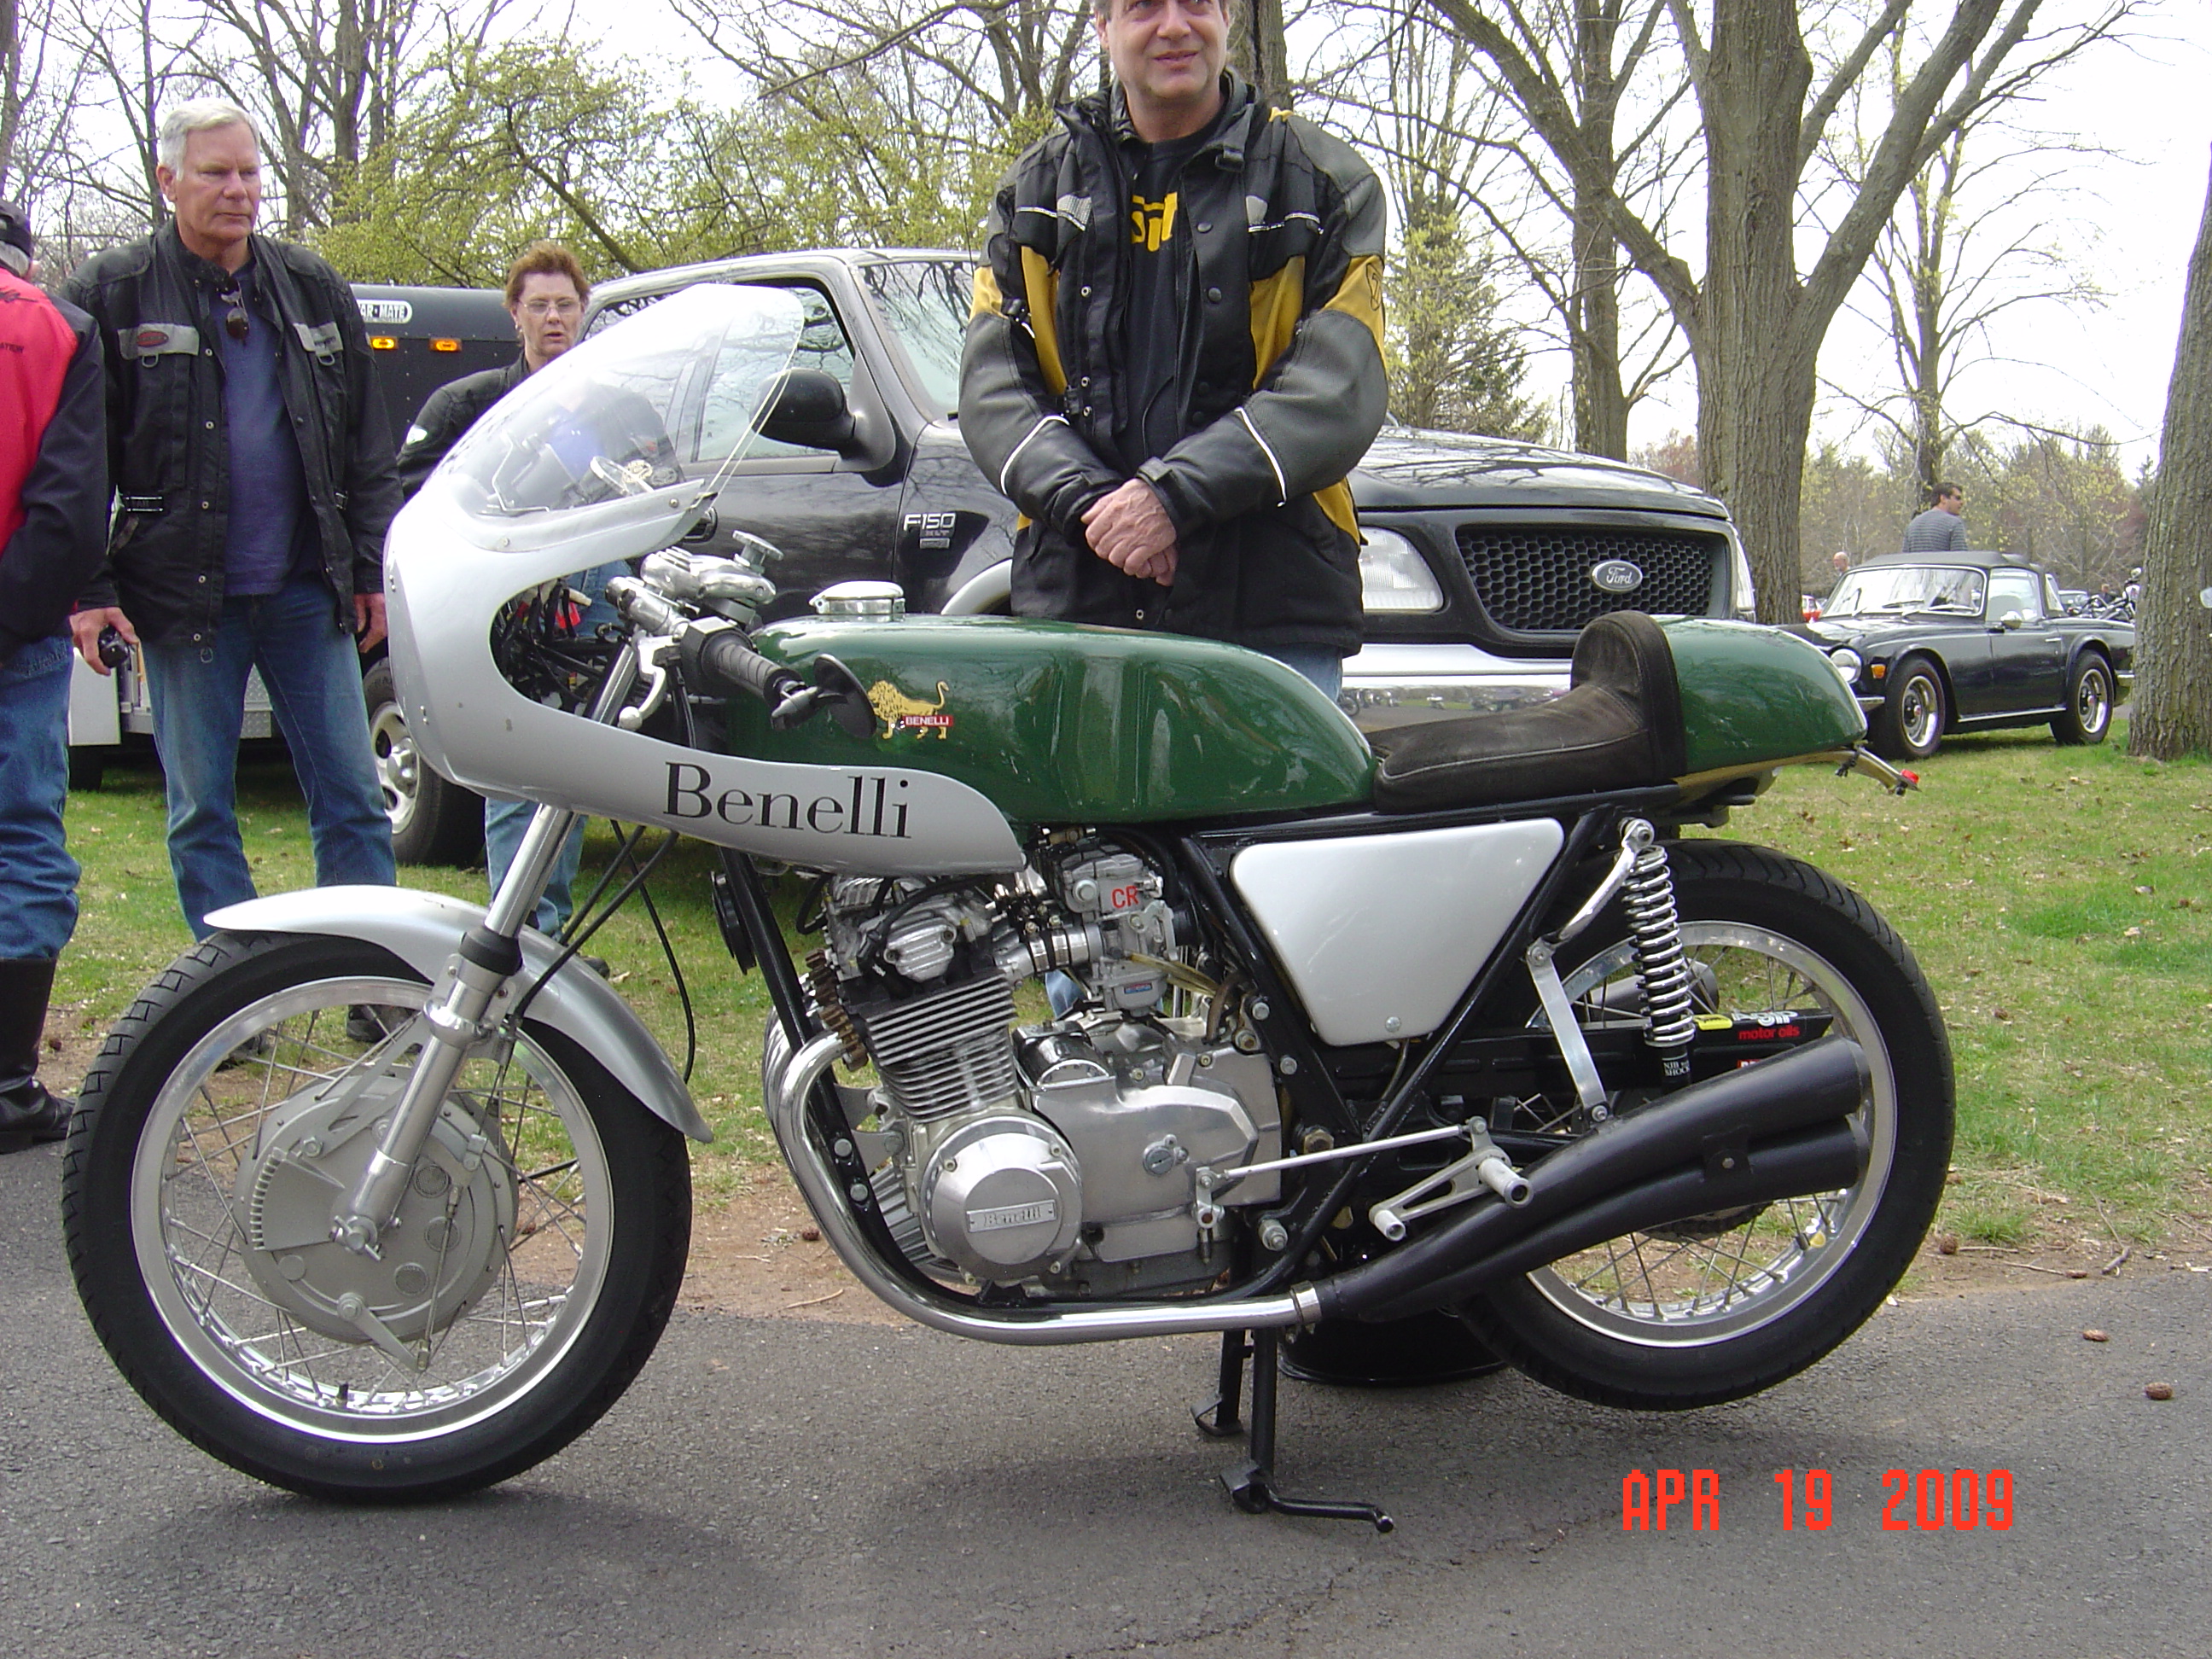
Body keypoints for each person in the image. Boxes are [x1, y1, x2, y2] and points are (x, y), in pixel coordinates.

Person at [959, 0, 1388, 702]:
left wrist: (1171, 498)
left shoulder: (1323, 183)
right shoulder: (1033, 194)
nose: (1174, 25)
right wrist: (1100, 507)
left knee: (1274, 789)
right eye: (1143, 7)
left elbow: (1337, 389)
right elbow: (993, 390)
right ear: (1103, 27)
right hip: (1080, 610)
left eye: (1196, 2)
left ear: (1227, 16)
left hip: (1272, 616)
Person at [63, 99, 400, 943]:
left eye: (250, 172)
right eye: (216, 173)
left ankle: (369, 979)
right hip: (180, 600)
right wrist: (91, 590)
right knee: (201, 812)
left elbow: (366, 444)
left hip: (305, 590)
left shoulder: (312, 286)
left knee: (354, 800)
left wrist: (369, 569)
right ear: (168, 179)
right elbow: (76, 458)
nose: (238, 190)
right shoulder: (110, 294)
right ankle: (235, 991)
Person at [394, 242, 614, 936]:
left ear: (583, 310)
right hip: (509, 604)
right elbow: (414, 495)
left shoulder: (619, 406)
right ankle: (518, 935)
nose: (554, 318)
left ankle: (553, 931)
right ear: (514, 313)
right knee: (517, 768)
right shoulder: (469, 404)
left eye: (566, 305)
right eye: (539, 305)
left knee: (573, 771)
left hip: (593, 601)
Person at [0, 201, 108, 1151]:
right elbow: (70, 509)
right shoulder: (57, 328)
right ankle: (7, 1084)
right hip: (16, 632)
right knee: (22, 841)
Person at [1902, 482, 1968, 553]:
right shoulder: (1954, 524)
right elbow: (1960, 557)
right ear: (1943, 499)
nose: (1962, 502)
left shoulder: (1912, 525)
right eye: (1958, 498)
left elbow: (1905, 557)